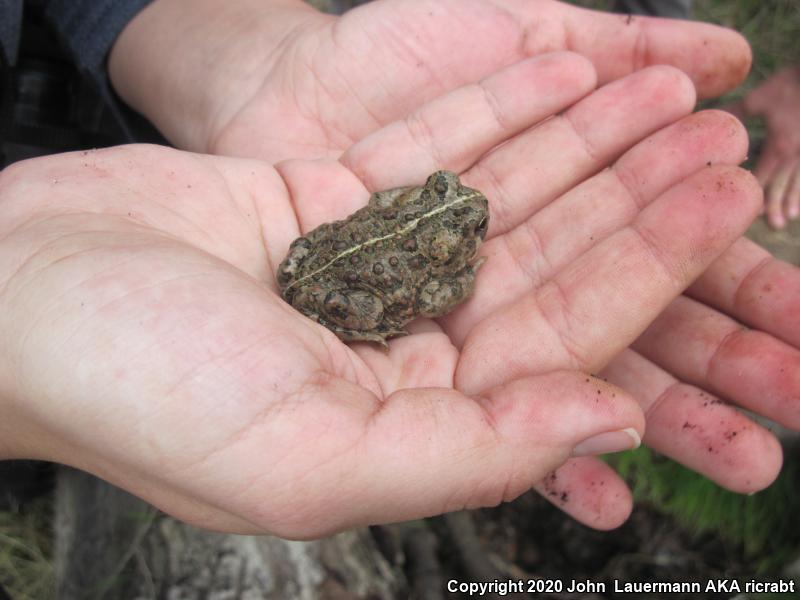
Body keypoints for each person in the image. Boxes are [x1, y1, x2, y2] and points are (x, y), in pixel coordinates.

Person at [0, 0, 797, 537]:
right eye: (458, 207)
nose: (464, 203)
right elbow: (445, 288)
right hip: (344, 278)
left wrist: (239, 48)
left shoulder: (410, 198)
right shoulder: (447, 267)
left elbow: (361, 222)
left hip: (315, 247)